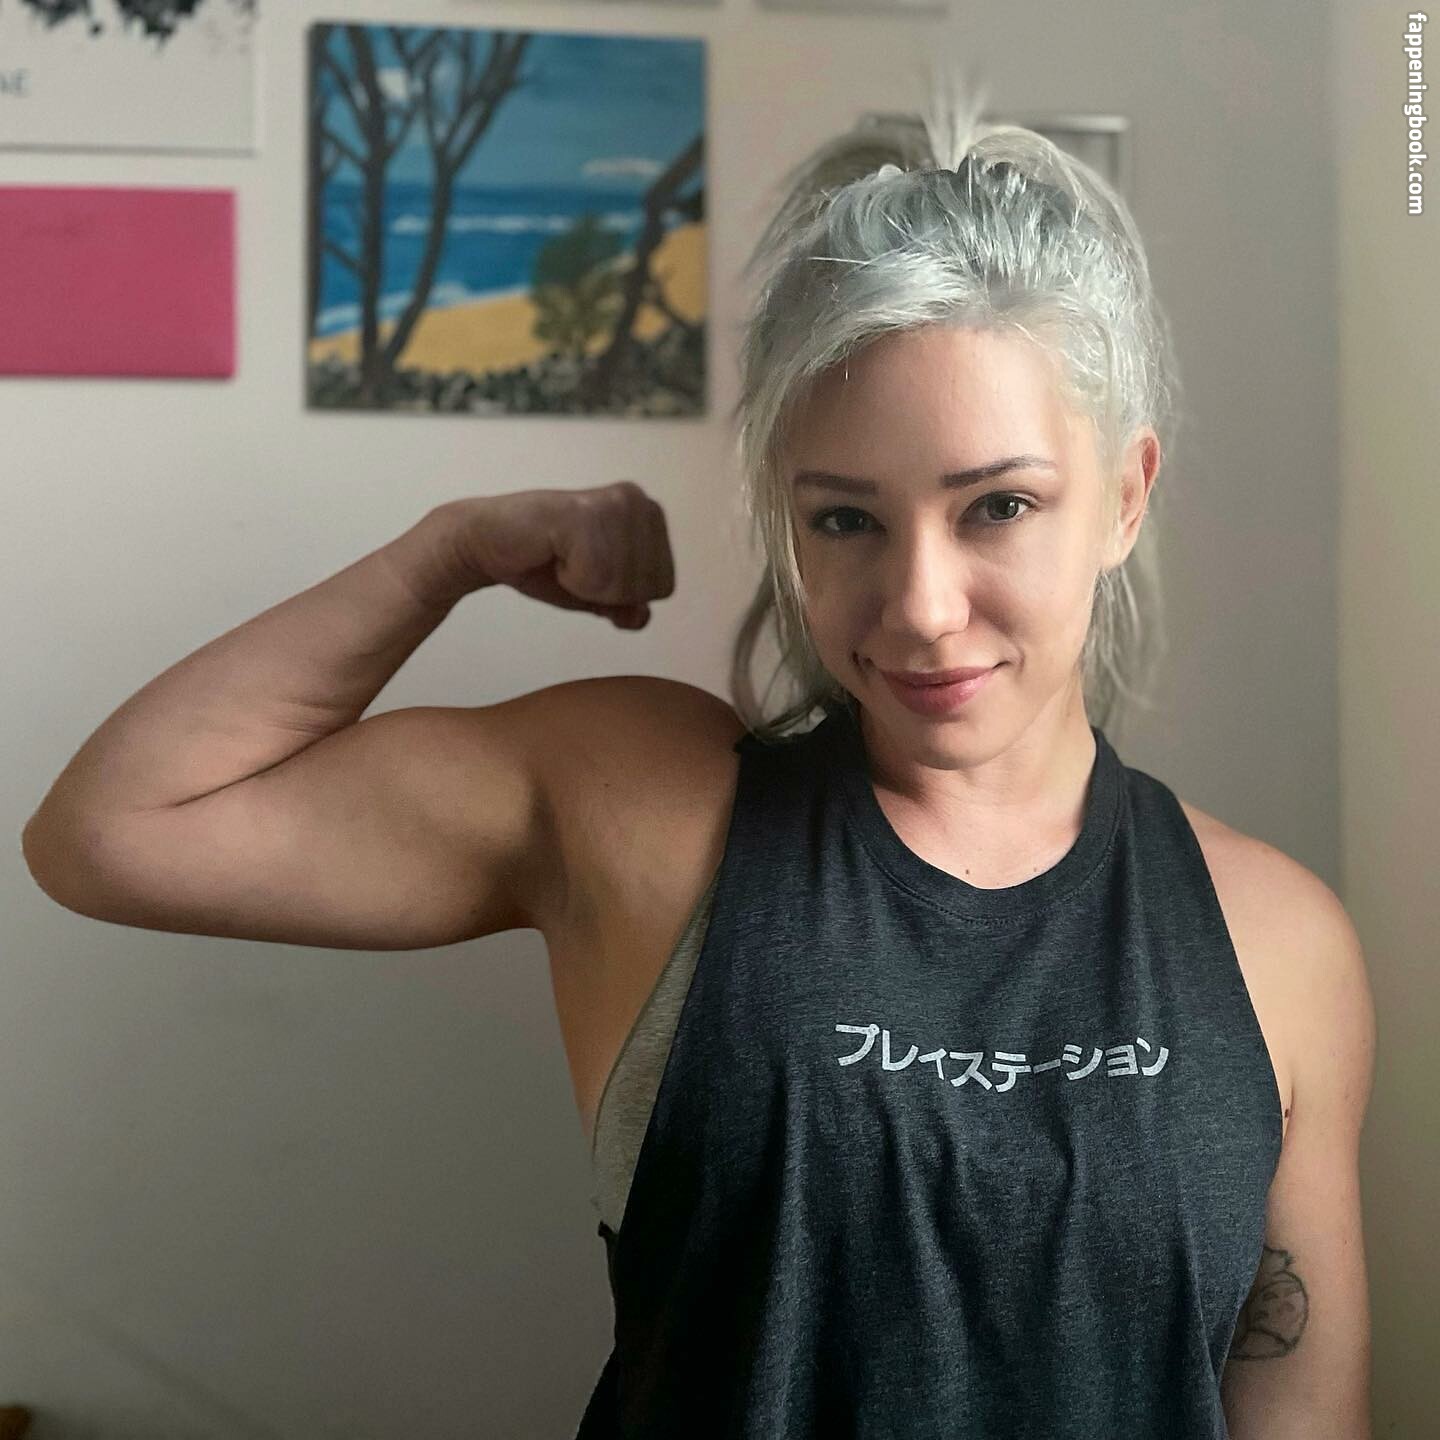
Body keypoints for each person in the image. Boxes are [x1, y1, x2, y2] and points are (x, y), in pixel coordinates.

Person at [21, 64, 1374, 1440]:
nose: (920, 605)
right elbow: (112, 831)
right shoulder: (651, 806)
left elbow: (1293, 1392)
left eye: (999, 507)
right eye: (846, 519)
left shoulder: (1277, 940)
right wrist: (449, 554)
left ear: (1125, 497)